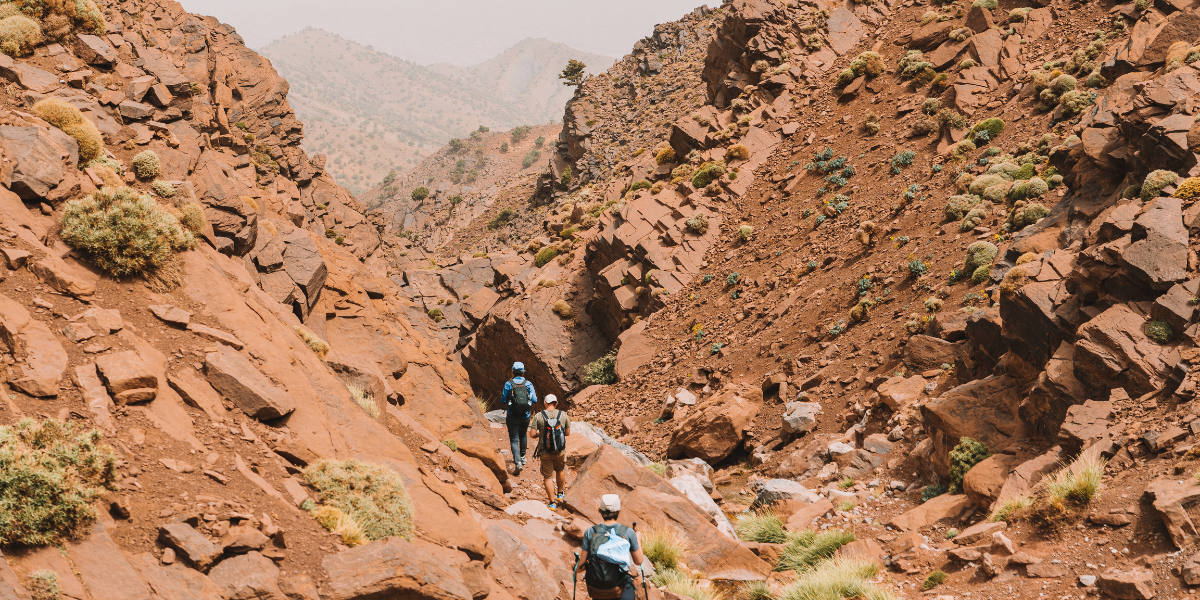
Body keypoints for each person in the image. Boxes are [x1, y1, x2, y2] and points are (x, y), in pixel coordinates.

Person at [577, 494, 647, 600]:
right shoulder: (628, 532)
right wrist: (638, 539)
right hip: (620, 589)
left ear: (599, 510)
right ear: (618, 510)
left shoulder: (591, 532)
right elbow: (638, 561)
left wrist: (574, 565)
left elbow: (580, 568)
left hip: (597, 590)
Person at [529, 394, 570, 508]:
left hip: (544, 451)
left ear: (545, 403)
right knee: (560, 470)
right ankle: (560, 494)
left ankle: (552, 503)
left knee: (548, 477)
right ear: (556, 403)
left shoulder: (538, 416)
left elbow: (532, 434)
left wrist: (541, 433)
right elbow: (567, 433)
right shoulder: (563, 415)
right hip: (560, 451)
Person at [500, 361, 536, 474]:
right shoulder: (528, 384)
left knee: (514, 440)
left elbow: (503, 400)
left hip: (512, 415)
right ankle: (523, 457)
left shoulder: (508, 384)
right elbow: (534, 399)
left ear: (513, 371)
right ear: (523, 372)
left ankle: (518, 462)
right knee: (523, 435)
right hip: (525, 415)